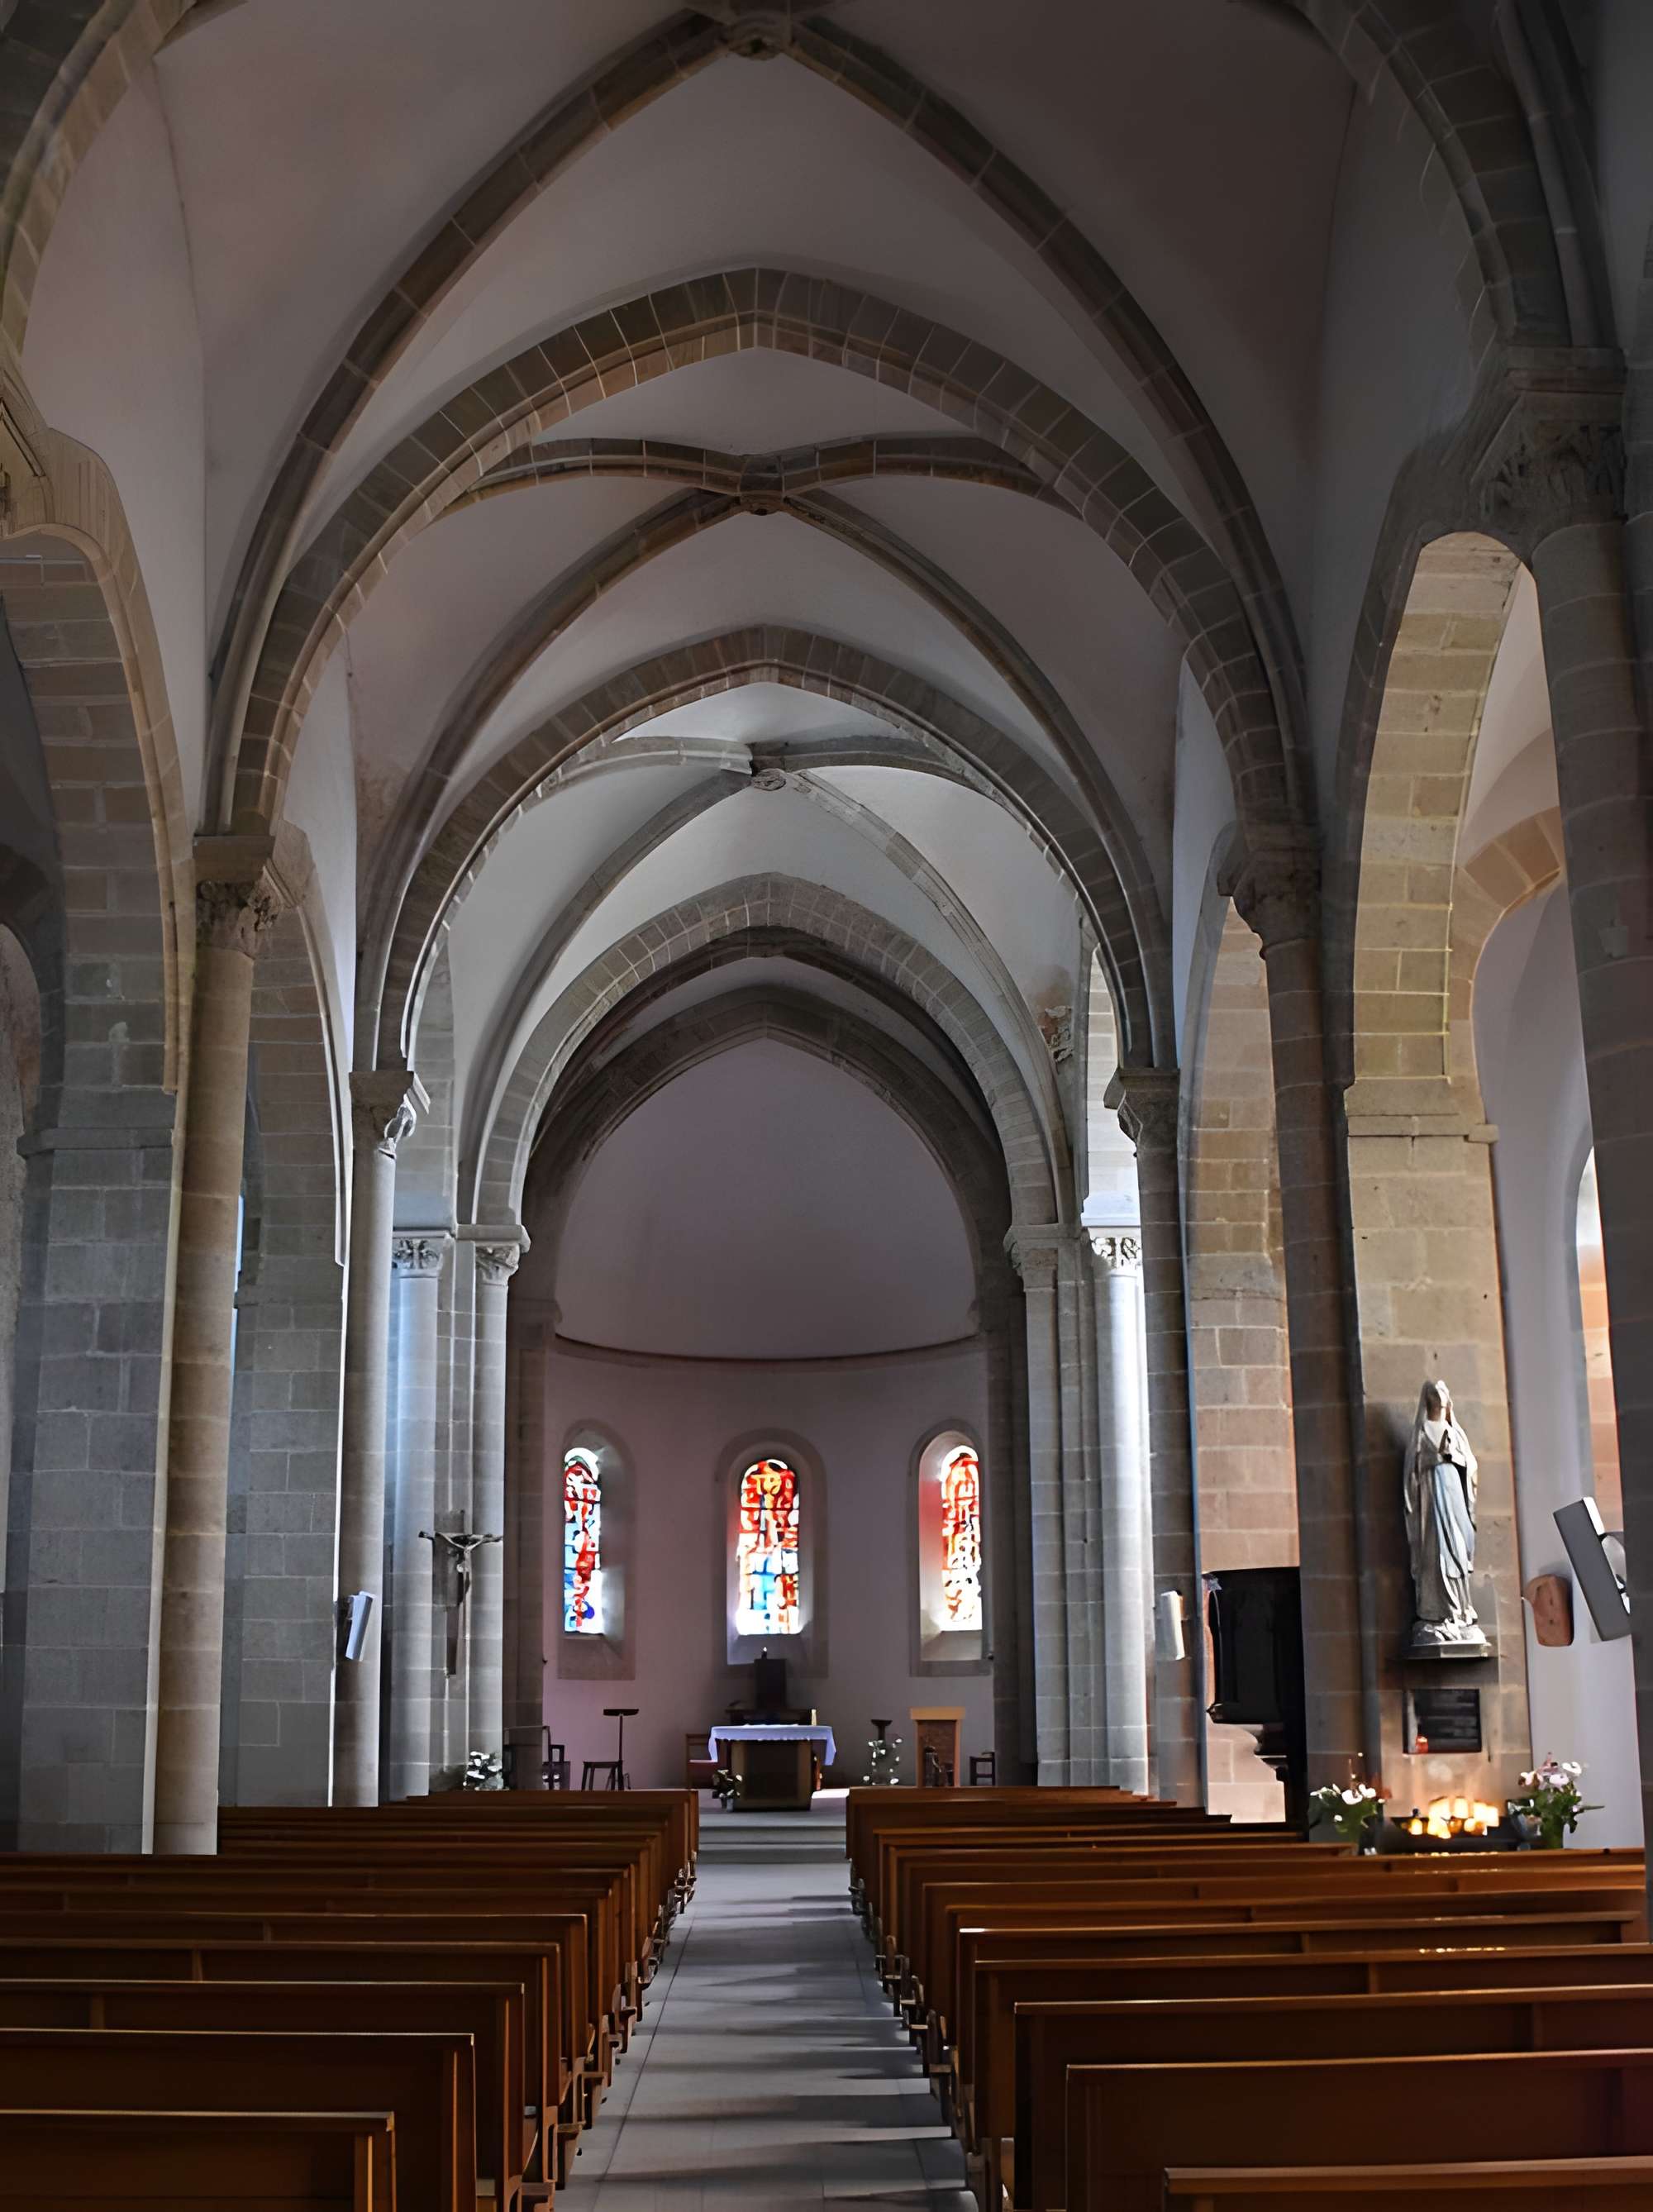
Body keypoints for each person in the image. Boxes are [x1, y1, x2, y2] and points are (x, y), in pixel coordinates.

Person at [1403, 1380, 1484, 1646]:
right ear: (1427, 1400)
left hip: (1454, 1496)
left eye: (1443, 1393)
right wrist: (1435, 1459)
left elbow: (1470, 1466)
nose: (1440, 1398)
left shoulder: (1455, 1432)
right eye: (1434, 1394)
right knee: (1435, 1553)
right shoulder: (1422, 1431)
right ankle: (1436, 1614)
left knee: (1457, 1552)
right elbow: (1412, 1473)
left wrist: (1453, 1458)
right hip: (1431, 1499)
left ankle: (1461, 1611)